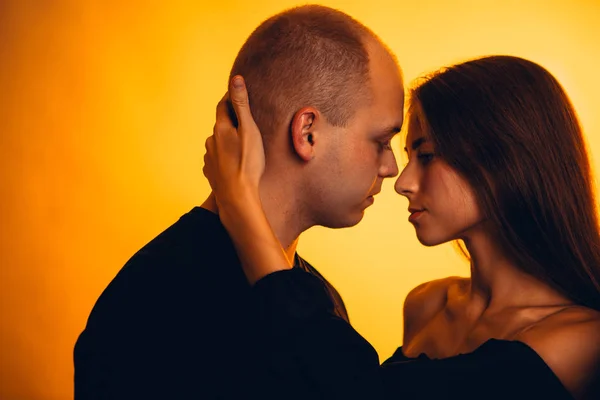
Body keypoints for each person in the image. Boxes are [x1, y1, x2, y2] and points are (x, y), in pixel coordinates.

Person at [204, 55, 600, 399]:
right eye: (408, 154)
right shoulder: (426, 304)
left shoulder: (581, 341)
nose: (403, 181)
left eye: (426, 155)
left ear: (503, 164)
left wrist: (242, 205)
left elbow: (361, 396)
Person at [73, 4, 404, 399]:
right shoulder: (154, 302)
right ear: (308, 133)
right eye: (381, 141)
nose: (392, 167)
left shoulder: (311, 299)